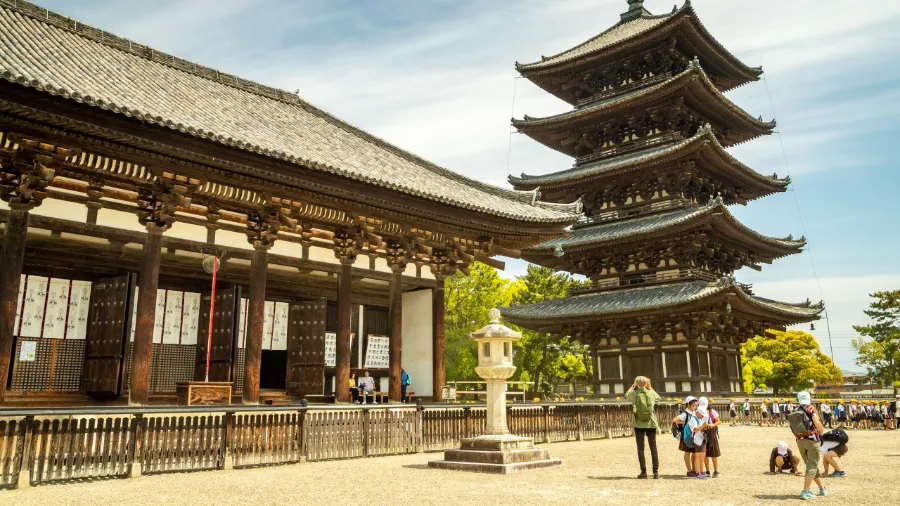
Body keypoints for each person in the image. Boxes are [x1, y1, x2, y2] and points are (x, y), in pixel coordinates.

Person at [789, 391, 827, 500]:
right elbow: (817, 422)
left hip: (800, 440)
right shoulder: (811, 409)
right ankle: (805, 491)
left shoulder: (796, 410)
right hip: (812, 440)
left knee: (811, 466)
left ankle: (821, 488)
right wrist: (821, 432)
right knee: (812, 466)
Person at [625, 376, 661, 479]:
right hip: (651, 423)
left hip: (638, 422)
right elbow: (658, 397)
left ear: (636, 383)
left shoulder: (634, 394)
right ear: (646, 383)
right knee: (653, 447)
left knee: (641, 448)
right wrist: (650, 387)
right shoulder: (651, 393)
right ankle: (655, 472)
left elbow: (626, 395)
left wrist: (633, 386)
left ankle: (643, 472)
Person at [673, 396, 700, 477]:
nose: (695, 407)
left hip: (693, 435)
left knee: (694, 452)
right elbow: (675, 420)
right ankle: (689, 470)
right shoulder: (685, 413)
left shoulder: (693, 412)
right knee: (687, 452)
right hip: (686, 435)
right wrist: (684, 423)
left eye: (696, 405)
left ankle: (694, 469)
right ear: (688, 405)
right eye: (694, 405)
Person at [699, 397, 721, 477]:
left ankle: (716, 470)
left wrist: (712, 425)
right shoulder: (699, 411)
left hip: (711, 432)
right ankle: (707, 471)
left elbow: (718, 421)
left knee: (714, 453)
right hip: (702, 432)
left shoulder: (712, 411)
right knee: (705, 453)